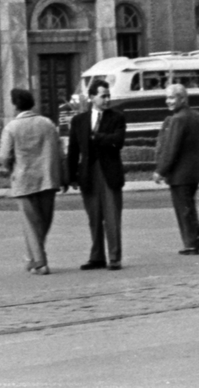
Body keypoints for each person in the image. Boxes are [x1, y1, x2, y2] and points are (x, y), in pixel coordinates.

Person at [0, 87, 65, 274]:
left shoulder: (11, 128)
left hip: (23, 180)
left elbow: (4, 156)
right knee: (43, 222)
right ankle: (33, 258)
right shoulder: (47, 124)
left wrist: (11, 168)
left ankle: (39, 262)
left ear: (14, 106)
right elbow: (60, 152)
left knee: (30, 223)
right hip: (47, 179)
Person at [66, 79, 127, 270]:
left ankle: (114, 257)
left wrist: (98, 137)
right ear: (92, 97)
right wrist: (71, 176)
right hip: (88, 174)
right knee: (94, 217)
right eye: (103, 96)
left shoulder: (116, 117)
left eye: (108, 96)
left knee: (112, 217)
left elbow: (119, 140)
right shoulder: (79, 121)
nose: (107, 99)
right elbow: (73, 150)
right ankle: (97, 257)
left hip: (109, 172)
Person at [152, 83, 199, 254]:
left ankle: (191, 244)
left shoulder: (177, 120)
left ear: (183, 99)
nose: (167, 101)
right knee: (189, 206)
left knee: (183, 209)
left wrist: (161, 171)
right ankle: (197, 237)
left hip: (180, 174)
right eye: (167, 98)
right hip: (194, 173)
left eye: (171, 98)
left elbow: (172, 148)